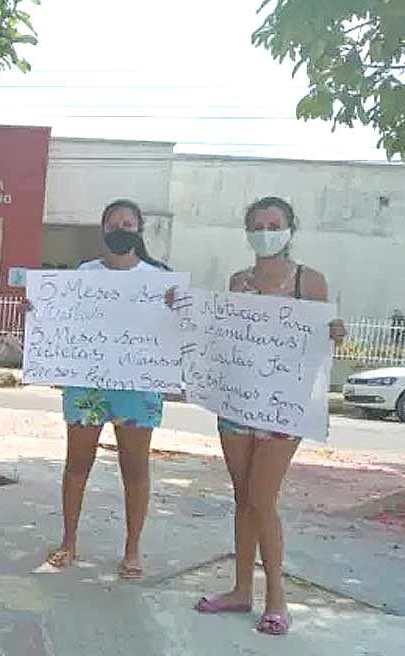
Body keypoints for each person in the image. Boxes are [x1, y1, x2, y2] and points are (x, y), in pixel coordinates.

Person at [191, 197, 345, 636]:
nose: (265, 232)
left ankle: (277, 598)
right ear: (247, 232)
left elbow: (319, 342)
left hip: (283, 409)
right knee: (243, 497)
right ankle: (241, 589)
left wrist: (335, 332)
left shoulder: (309, 282)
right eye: (257, 225)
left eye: (274, 224)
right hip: (237, 402)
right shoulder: (238, 281)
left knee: (262, 498)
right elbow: (228, 337)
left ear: (290, 229)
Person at [46, 199, 174, 578]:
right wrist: (42, 311)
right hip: (88, 384)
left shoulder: (159, 278)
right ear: (103, 230)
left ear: (139, 229)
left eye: (127, 224)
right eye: (114, 224)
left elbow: (176, 329)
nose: (121, 230)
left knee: (135, 469)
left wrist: (178, 308)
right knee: (76, 465)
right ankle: (68, 541)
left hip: (138, 387)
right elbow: (63, 318)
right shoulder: (84, 274)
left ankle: (132, 550)